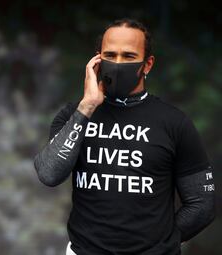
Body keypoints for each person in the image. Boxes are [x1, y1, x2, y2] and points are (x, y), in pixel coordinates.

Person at [33, 18, 216, 255]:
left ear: (147, 64)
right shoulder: (73, 115)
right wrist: (87, 107)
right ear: (97, 60)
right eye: (110, 54)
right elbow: (49, 173)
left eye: (129, 56)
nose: (118, 63)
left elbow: (202, 203)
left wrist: (160, 244)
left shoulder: (174, 122)